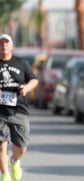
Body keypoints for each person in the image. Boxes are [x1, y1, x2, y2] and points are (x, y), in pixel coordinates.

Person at [0, 34, 38, 181]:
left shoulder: (21, 63)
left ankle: (15, 161)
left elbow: (34, 80)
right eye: (1, 43)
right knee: (1, 145)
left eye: (6, 43)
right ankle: (4, 175)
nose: (4, 45)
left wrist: (27, 88)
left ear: (11, 46)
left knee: (21, 145)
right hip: (0, 110)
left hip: (18, 109)